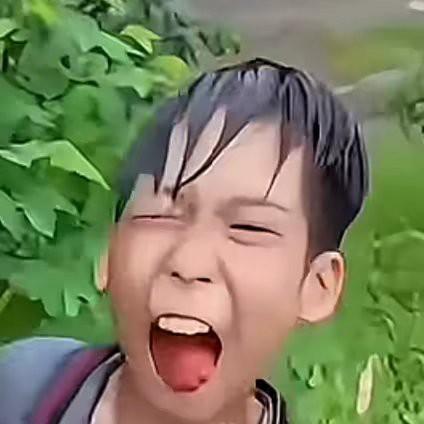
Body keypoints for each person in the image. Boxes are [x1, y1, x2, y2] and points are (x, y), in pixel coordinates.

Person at [0, 58, 369, 424]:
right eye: (160, 215)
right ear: (108, 253)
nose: (189, 263)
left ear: (318, 286)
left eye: (249, 228)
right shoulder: (22, 389)